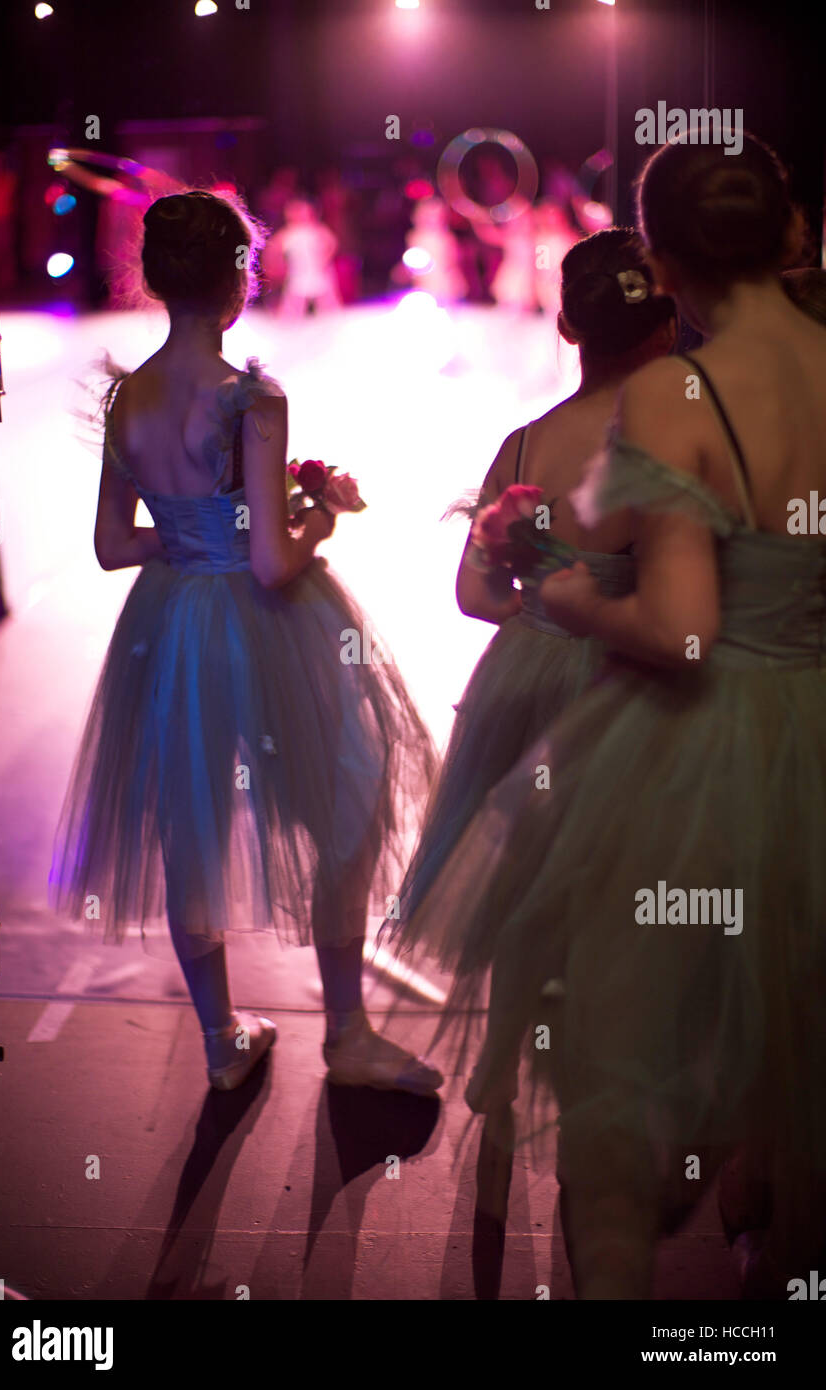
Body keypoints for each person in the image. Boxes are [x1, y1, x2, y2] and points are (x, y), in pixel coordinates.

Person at [390, 132, 826, 1298]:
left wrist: (569, 588)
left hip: (704, 748)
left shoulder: (684, 392)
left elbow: (681, 627)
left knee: (617, 1104)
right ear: (787, 235)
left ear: (669, 262)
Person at [50, 189, 441, 1097]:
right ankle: (346, 1031)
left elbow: (114, 545)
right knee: (345, 797)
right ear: (240, 278)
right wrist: (318, 518)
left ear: (153, 278)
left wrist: (194, 534)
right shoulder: (253, 397)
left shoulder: (127, 397)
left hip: (171, 621)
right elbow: (270, 563)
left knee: (192, 820)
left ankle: (222, 1037)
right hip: (266, 624)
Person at [384, 228, 677, 1105]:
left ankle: (497, 1060)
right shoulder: (677, 444)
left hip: (529, 677)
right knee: (625, 887)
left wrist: (543, 609)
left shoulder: (523, 447)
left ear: (567, 328)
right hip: (633, 683)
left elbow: (475, 594)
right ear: (666, 330)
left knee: (523, 883)